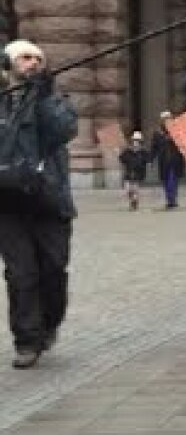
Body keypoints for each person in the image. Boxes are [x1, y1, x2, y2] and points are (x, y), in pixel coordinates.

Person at [0, 39, 78, 369]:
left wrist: (43, 96)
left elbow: (62, 130)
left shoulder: (54, 99)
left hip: (49, 200)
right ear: (7, 65)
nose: (32, 63)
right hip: (9, 203)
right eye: (24, 58)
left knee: (53, 269)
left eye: (36, 58)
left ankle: (48, 323)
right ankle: (27, 340)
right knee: (20, 274)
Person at [152, 111, 186, 209]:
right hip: (163, 160)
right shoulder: (158, 133)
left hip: (175, 160)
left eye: (168, 118)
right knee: (165, 181)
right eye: (165, 119)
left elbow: (182, 144)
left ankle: (172, 200)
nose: (167, 120)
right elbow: (154, 147)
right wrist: (151, 158)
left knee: (173, 180)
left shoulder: (177, 131)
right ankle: (169, 199)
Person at [119, 131, 151, 211]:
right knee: (128, 189)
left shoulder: (143, 151)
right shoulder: (127, 150)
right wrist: (119, 154)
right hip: (129, 171)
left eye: (137, 140)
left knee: (135, 188)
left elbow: (148, 160)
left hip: (138, 171)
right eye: (134, 140)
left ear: (140, 142)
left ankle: (134, 202)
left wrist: (147, 163)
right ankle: (133, 200)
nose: (136, 142)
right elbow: (122, 159)